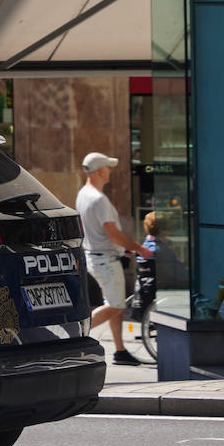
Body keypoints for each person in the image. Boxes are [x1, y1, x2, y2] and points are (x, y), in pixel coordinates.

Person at [77, 151, 153, 366]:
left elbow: (102, 233)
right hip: (105, 261)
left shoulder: (83, 194)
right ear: (101, 171)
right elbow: (112, 233)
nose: (109, 171)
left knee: (114, 302)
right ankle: (75, 334)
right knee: (116, 306)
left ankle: (120, 350)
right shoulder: (98, 199)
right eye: (108, 167)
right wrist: (139, 248)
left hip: (96, 255)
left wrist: (123, 250)